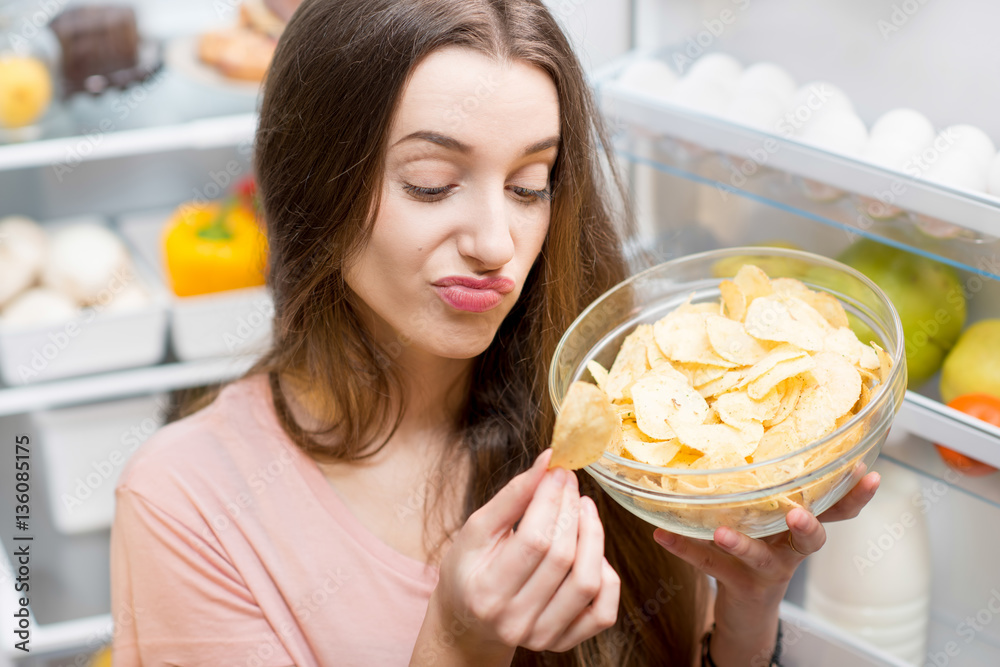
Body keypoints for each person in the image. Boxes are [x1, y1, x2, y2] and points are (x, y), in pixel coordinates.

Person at [109, 1, 880, 665]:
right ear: (314, 182)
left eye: (528, 186)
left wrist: (748, 614)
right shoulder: (187, 503)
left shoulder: (629, 429)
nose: (495, 239)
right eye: (432, 184)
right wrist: (459, 641)